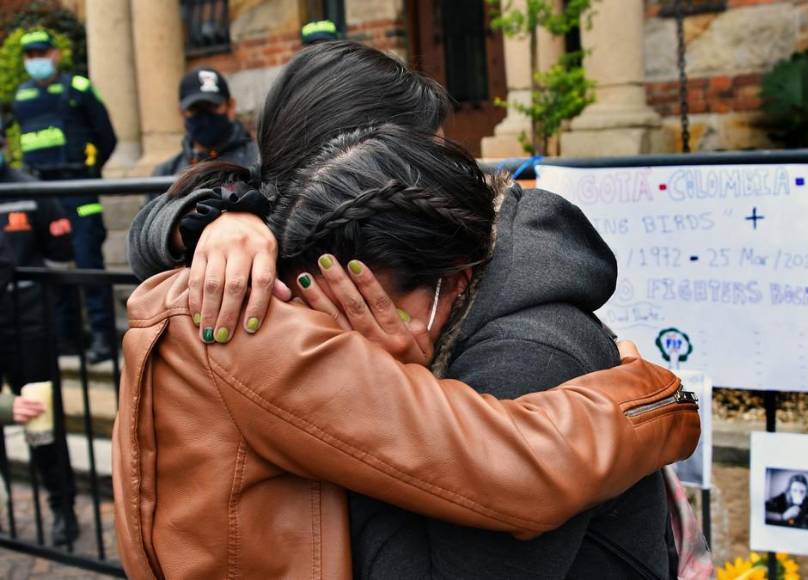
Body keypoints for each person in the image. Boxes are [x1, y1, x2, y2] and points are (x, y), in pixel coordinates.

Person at [122, 43, 701, 578]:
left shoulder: (521, 350)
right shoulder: (265, 287)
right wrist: (218, 218)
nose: (445, 163)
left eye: (433, 147)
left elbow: (522, 474)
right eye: (428, 145)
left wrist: (385, 389)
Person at [11, 29, 118, 364]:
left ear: (55, 54)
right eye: (29, 55)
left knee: (88, 264)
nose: (36, 60)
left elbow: (107, 137)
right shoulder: (22, 97)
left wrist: (89, 169)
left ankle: (102, 336)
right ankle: (66, 337)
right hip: (43, 194)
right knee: (53, 266)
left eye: (41, 52)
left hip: (78, 188)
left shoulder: (78, 88)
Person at [0, 133, 79, 546]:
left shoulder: (29, 191)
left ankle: (61, 506)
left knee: (40, 420)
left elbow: (59, 253)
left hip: (29, 323)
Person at [152, 68, 258, 178]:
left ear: (231, 106)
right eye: (194, 109)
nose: (205, 117)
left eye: (213, 107)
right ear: (182, 113)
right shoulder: (165, 173)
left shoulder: (259, 160)